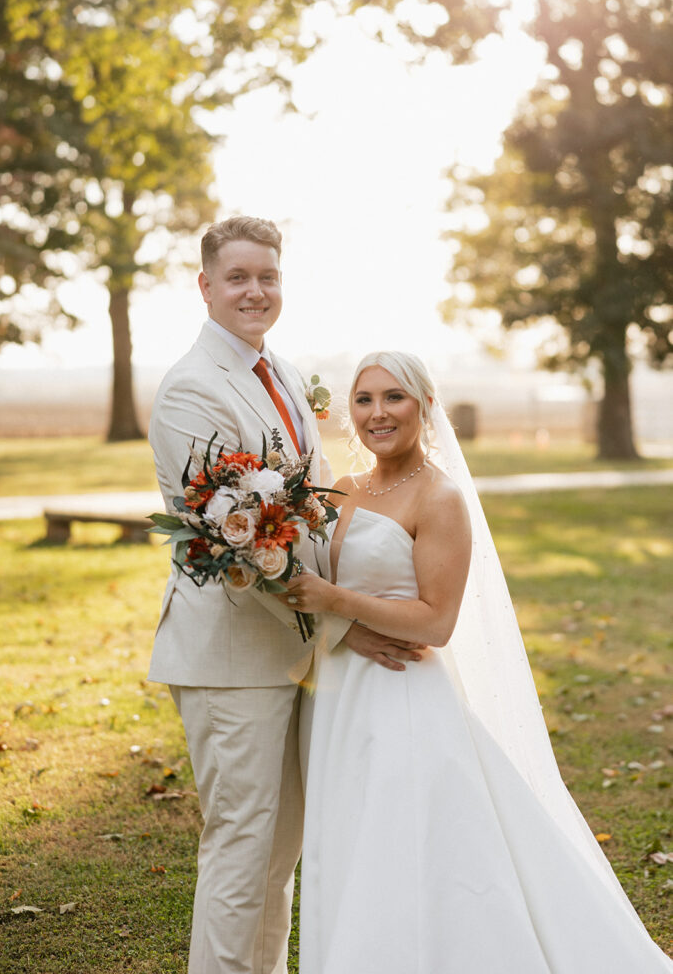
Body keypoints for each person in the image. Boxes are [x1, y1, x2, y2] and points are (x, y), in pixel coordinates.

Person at [283, 350, 673, 973]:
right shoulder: (340, 489)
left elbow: (436, 621)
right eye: (364, 399)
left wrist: (336, 600)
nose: (377, 413)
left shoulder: (439, 498)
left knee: (404, 844)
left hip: (404, 696)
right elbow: (306, 583)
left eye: (394, 397)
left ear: (424, 405)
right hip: (338, 694)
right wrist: (344, 626)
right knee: (350, 841)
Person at [147, 220, 424, 974]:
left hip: (290, 651)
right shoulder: (190, 392)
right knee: (243, 846)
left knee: (277, 854)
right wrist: (343, 624)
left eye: (267, 276)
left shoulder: (285, 372)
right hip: (231, 655)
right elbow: (242, 545)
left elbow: (308, 510)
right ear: (205, 287)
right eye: (237, 277)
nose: (255, 291)